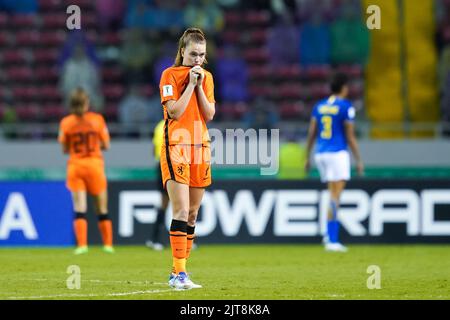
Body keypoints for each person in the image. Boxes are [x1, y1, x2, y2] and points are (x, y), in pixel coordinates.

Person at [159, 28, 215, 290]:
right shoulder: (169, 75)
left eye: (202, 55)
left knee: (192, 213)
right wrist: (190, 85)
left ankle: (179, 271)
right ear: (183, 51)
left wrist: (200, 85)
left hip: (200, 146)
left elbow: (209, 114)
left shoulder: (207, 77)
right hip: (177, 145)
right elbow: (174, 112)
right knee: (180, 209)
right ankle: (179, 275)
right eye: (193, 54)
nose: (197, 60)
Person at [304, 73, 364, 252]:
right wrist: (358, 159)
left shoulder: (320, 106)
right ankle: (332, 239)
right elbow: (350, 136)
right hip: (337, 153)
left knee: (331, 194)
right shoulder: (346, 107)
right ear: (344, 88)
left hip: (320, 153)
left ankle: (327, 233)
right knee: (335, 197)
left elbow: (312, 132)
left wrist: (307, 156)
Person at [58, 88, 114, 255]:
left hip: (75, 166)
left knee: (79, 207)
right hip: (94, 165)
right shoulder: (97, 120)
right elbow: (106, 145)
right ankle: (108, 245)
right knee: (101, 208)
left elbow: (64, 148)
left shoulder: (66, 122)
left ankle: (82, 245)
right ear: (87, 103)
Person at [145, 119, 169, 251]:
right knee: (182, 204)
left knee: (164, 204)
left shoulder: (159, 125)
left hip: (160, 164)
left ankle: (154, 239)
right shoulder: (178, 123)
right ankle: (188, 240)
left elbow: (154, 149)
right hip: (170, 164)